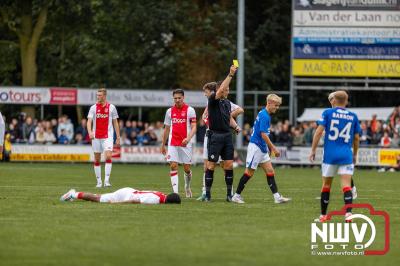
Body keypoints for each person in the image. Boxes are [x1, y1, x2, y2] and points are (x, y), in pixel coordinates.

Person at [309, 90, 360, 223]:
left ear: (334, 101)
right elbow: (356, 138)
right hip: (346, 155)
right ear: (346, 101)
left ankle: (323, 216)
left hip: (330, 155)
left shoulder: (328, 113)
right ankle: (348, 214)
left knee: (326, 185)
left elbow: (319, 132)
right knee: (346, 185)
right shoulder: (353, 116)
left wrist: (313, 150)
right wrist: (355, 154)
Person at [231, 94, 291, 204]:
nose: (277, 108)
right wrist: (273, 149)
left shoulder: (264, 113)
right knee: (249, 173)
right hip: (256, 147)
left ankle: (277, 197)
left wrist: (266, 148)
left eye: (278, 106)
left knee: (270, 171)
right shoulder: (265, 116)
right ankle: (236, 196)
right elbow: (263, 135)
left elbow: (263, 134)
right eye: (276, 105)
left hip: (261, 147)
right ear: (269, 103)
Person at [197, 81, 244, 201]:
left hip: (227, 136)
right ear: (219, 90)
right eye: (224, 89)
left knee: (228, 165)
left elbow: (229, 118)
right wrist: (231, 75)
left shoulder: (227, 103)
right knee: (211, 165)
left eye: (227, 89)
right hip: (215, 136)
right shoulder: (212, 100)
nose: (226, 91)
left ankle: (229, 195)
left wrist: (236, 127)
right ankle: (207, 195)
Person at [161, 89, 197, 197]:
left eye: (179, 98)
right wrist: (163, 144)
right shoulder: (169, 111)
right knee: (173, 165)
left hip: (185, 143)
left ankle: (187, 187)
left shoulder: (190, 110)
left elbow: (194, 127)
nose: (177, 100)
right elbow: (166, 129)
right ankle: (175, 193)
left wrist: (188, 138)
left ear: (183, 98)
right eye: (175, 98)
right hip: (173, 142)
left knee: (186, 168)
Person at [87, 88, 121, 188]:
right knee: (97, 160)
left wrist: (118, 136)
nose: (98, 97)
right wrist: (90, 132)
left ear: (104, 96)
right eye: (97, 95)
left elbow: (115, 122)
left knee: (108, 156)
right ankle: (99, 182)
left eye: (100, 95)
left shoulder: (112, 108)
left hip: (108, 136)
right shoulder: (93, 108)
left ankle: (106, 181)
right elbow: (89, 121)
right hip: (96, 137)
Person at [60, 188, 181, 204]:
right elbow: (134, 201)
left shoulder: (161, 194)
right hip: (126, 195)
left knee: (100, 196)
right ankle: (73, 194)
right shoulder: (156, 200)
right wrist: (117, 203)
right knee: (98, 199)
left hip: (129, 191)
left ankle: (74, 194)